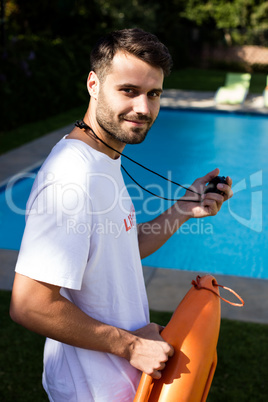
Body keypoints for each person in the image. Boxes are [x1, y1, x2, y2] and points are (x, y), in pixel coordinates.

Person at [10, 28, 233, 401]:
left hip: (120, 383)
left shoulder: (104, 158)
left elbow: (117, 250)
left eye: (153, 94)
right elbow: (30, 303)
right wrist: (130, 346)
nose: (144, 108)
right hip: (91, 390)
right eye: (128, 91)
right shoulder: (73, 176)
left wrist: (182, 209)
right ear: (93, 84)